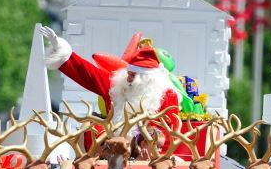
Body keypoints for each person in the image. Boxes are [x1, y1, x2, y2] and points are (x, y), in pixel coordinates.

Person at [40, 25, 179, 135]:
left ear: (147, 79)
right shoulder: (119, 86)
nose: (128, 78)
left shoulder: (168, 96)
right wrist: (60, 47)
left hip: (149, 156)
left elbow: (168, 134)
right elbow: (87, 73)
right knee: (92, 129)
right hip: (111, 149)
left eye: (133, 75)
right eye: (128, 73)